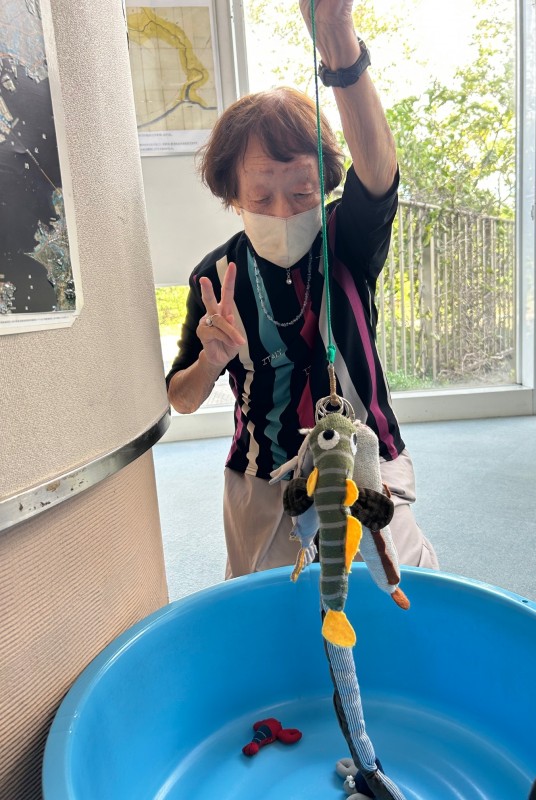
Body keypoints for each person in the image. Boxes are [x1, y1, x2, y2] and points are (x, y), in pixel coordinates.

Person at [166, 0, 439, 579]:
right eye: (260, 197)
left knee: (400, 588)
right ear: (232, 196)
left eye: (302, 191)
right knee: (269, 606)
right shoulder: (215, 277)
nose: (283, 211)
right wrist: (211, 360)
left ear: (326, 184)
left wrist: (337, 38)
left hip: (366, 458)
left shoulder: (347, 240)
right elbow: (181, 398)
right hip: (266, 474)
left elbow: (379, 173)